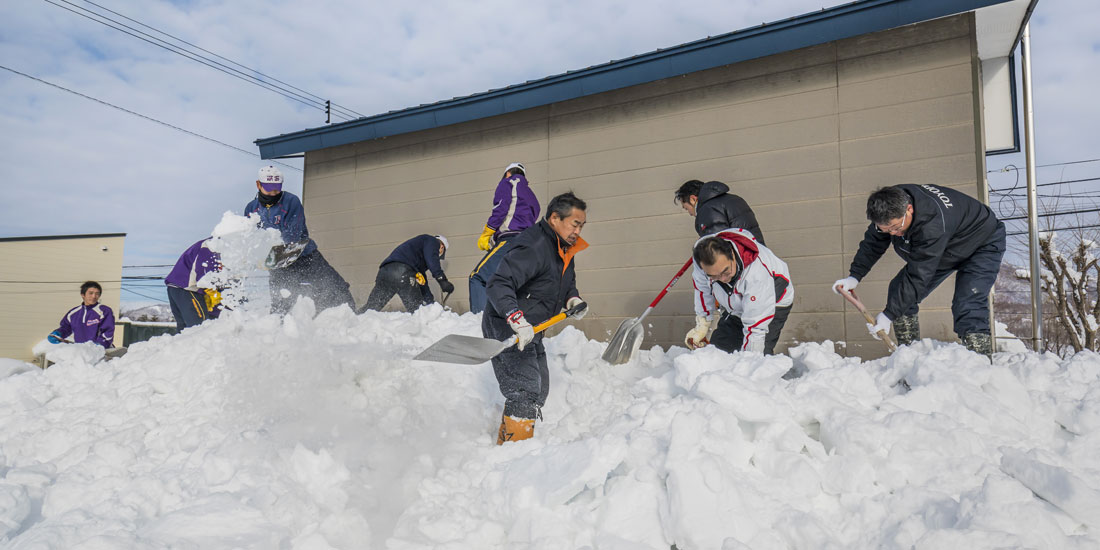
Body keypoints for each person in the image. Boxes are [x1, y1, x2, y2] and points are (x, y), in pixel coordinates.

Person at [832, 184, 1006, 355]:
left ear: (909, 209)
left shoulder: (932, 223)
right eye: (886, 230)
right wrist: (854, 276)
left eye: (896, 228)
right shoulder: (887, 208)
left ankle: (980, 362)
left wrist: (888, 315)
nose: (892, 234)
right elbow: (872, 244)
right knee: (899, 291)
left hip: (982, 244)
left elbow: (918, 276)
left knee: (969, 301)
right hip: (947, 246)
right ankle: (909, 357)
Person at [484, 192, 589, 444]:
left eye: (582, 225)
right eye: (575, 224)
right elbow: (499, 284)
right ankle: (513, 453)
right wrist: (515, 318)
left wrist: (571, 299)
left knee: (538, 390)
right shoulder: (534, 246)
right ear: (555, 218)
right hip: (508, 326)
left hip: (532, 329)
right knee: (525, 389)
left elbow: (565, 283)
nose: (578, 230)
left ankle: (506, 442)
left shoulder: (563, 248)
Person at [244, 166, 354, 314]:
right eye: (269, 188)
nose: (273, 192)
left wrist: (270, 255)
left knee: (334, 286)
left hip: (304, 255)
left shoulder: (291, 201)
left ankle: (351, 314)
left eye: (276, 189)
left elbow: (292, 236)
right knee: (281, 302)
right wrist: (257, 255)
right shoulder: (251, 209)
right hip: (277, 265)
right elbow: (251, 237)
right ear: (258, 184)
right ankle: (279, 328)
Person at [686, 229, 794, 354]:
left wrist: (749, 365)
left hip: (773, 301)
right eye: (714, 276)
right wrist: (703, 323)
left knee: (760, 355)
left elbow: (756, 329)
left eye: (726, 272)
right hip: (735, 305)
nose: (723, 279)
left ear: (732, 254)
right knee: (718, 353)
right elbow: (702, 288)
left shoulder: (756, 273)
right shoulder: (702, 259)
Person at [469, 162, 540, 314]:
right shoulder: (531, 196)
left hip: (510, 241)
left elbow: (501, 209)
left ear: (508, 173)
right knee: (508, 286)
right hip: (527, 246)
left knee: (478, 278)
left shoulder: (508, 182)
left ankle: (477, 323)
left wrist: (488, 232)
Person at [360, 234, 453, 312]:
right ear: (442, 247)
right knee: (418, 311)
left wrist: (430, 302)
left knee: (371, 309)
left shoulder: (416, 254)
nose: (438, 255)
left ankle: (355, 320)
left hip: (385, 272)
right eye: (440, 253)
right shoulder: (432, 241)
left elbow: (422, 281)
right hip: (403, 272)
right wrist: (442, 280)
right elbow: (433, 261)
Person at [674, 179, 765, 243]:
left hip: (741, 264)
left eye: (686, 208)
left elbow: (716, 250)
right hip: (759, 257)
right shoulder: (735, 199)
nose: (690, 213)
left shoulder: (708, 209)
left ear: (693, 199)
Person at [164, 238, 223, 331]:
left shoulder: (210, 245)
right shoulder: (212, 245)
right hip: (187, 289)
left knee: (183, 331)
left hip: (176, 288)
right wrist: (214, 295)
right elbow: (206, 276)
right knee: (200, 329)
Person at [47, 281, 116, 348]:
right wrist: (57, 334)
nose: (94, 296)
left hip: (102, 352)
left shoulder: (104, 311)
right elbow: (66, 328)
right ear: (83, 295)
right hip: (82, 351)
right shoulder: (73, 313)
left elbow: (108, 331)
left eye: (97, 294)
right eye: (91, 293)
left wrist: (99, 345)